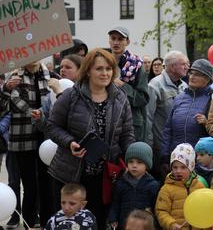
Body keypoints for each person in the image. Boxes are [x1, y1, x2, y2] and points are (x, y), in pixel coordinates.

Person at [47, 48, 135, 229]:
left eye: (109, 69)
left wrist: (132, 160)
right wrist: (69, 142)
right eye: (99, 69)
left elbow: (127, 134)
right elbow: (52, 126)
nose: (105, 73)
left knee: (98, 222)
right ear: (88, 70)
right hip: (71, 174)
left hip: (104, 176)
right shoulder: (72, 95)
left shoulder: (120, 98)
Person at [0, 61, 54, 228]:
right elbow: (4, 106)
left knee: (46, 182)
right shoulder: (15, 75)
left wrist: (42, 113)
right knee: (29, 184)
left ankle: (45, 221)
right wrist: (7, 90)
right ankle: (29, 221)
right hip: (23, 137)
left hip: (45, 135)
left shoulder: (48, 74)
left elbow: (56, 99)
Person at [160, 59, 213, 176]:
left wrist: (207, 123)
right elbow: (168, 128)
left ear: (207, 79)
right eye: (191, 73)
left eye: (198, 74)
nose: (192, 77)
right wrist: (165, 156)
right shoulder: (180, 97)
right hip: (177, 162)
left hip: (200, 162)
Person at [146, 50, 189, 178]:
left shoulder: (184, 86)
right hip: (160, 148)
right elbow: (148, 117)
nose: (187, 67)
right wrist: (149, 145)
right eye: (183, 64)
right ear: (172, 66)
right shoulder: (155, 85)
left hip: (179, 147)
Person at [108, 26, 149, 142]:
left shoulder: (137, 65)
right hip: (108, 121)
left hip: (130, 123)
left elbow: (143, 98)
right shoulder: (102, 63)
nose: (116, 42)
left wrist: (123, 86)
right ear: (109, 40)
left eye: (120, 39)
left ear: (127, 42)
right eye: (113, 38)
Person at [108, 142, 160, 229]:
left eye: (139, 162)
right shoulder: (121, 183)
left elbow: (156, 207)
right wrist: (113, 218)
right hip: (124, 225)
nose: (134, 165)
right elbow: (115, 203)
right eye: (131, 162)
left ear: (147, 165)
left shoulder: (153, 185)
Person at [155, 143, 205, 230]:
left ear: (191, 167)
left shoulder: (200, 187)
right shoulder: (166, 189)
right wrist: (171, 224)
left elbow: (205, 211)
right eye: (175, 167)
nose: (178, 171)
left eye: (183, 167)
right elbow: (161, 211)